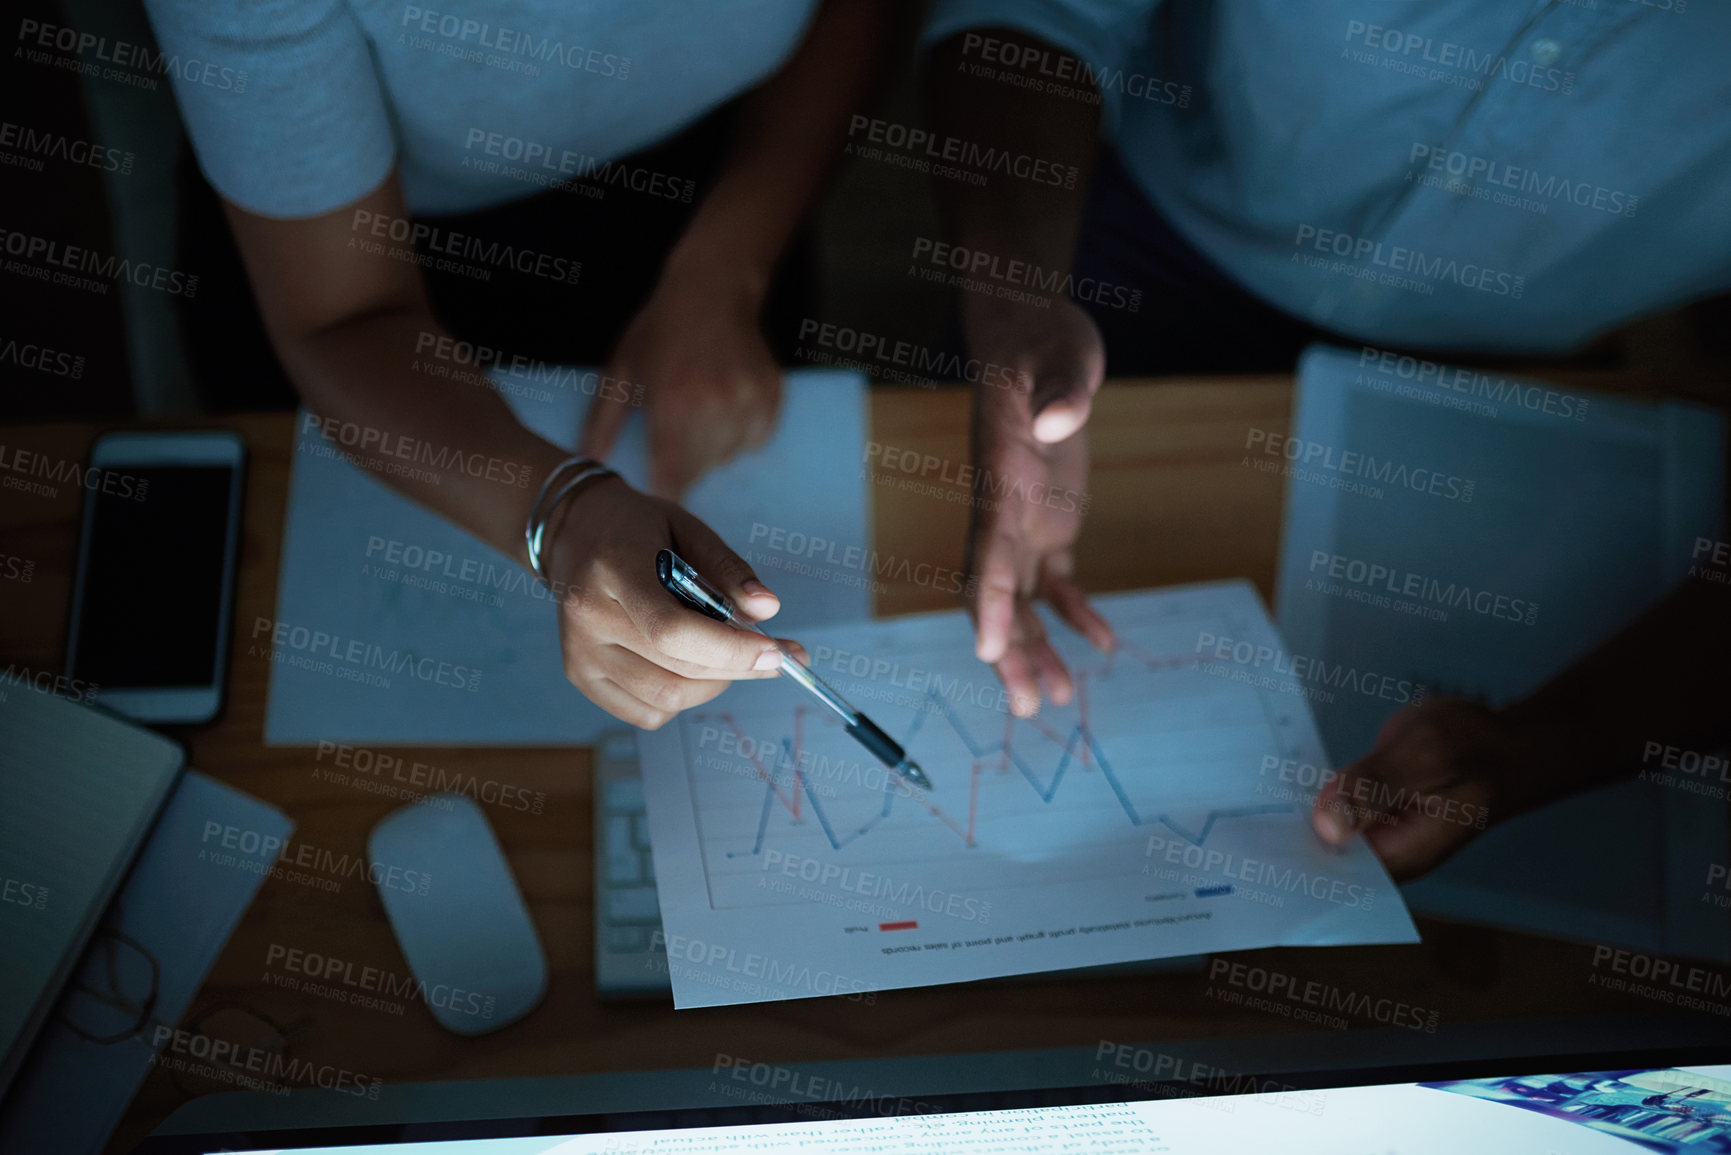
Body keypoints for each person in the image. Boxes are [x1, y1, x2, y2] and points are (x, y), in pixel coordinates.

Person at [922, 0, 1731, 876]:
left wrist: (1541, 745)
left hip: (1517, 374)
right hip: (1121, 238)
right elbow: (1032, 15)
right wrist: (1016, 301)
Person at [141, 0, 895, 727]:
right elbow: (339, 317)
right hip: (354, 246)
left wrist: (727, 270)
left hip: (732, 180)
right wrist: (564, 516)